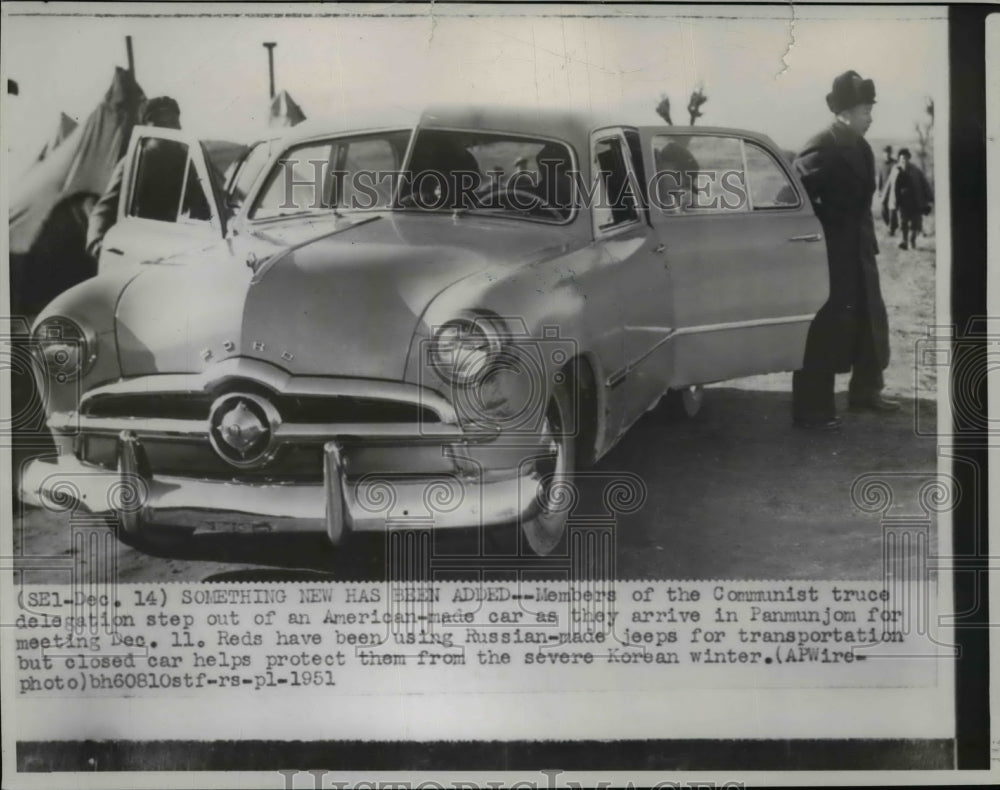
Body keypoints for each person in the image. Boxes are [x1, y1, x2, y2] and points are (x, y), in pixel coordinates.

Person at [791, 70, 899, 430]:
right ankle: (813, 409)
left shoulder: (862, 145)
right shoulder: (823, 143)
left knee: (869, 322)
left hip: (860, 253)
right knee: (825, 330)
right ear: (847, 112)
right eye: (866, 111)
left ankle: (866, 391)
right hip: (832, 256)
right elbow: (795, 196)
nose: (871, 117)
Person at [85, 96, 181, 260]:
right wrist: (97, 241)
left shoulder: (183, 161)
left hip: (175, 244)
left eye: (174, 123)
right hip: (138, 246)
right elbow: (105, 207)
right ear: (149, 126)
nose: (172, 129)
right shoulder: (134, 162)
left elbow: (204, 200)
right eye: (164, 124)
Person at [891, 148, 933, 250]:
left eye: (906, 158)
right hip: (902, 202)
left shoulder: (916, 171)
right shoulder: (895, 170)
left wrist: (930, 197)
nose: (904, 160)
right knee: (903, 222)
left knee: (916, 224)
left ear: (909, 158)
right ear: (899, 159)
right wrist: (889, 200)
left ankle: (912, 240)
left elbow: (924, 184)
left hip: (915, 201)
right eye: (902, 159)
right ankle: (904, 241)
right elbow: (890, 186)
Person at [876, 144, 898, 235]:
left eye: (888, 152)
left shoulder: (895, 164)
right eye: (885, 153)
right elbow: (880, 178)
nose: (887, 154)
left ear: (891, 153)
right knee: (883, 210)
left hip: (893, 191)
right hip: (884, 192)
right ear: (883, 153)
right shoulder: (881, 165)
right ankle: (890, 225)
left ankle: (891, 229)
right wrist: (879, 190)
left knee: (892, 211)